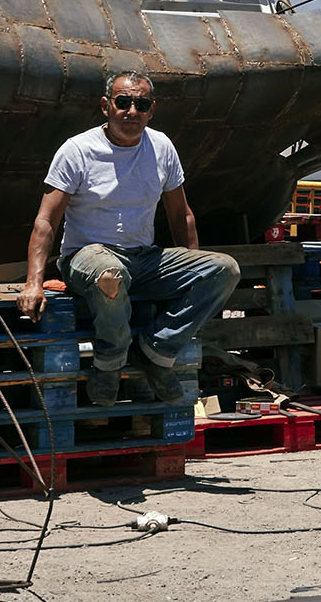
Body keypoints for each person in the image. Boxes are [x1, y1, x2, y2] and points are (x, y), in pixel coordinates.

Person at [20, 70, 241, 407]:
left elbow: (180, 214)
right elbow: (46, 220)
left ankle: (157, 350)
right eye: (123, 102)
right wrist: (33, 282)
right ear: (106, 106)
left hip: (142, 257)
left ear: (152, 110)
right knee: (111, 275)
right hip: (88, 255)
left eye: (142, 104)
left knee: (224, 269)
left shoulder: (161, 146)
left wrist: (191, 267)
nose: (132, 111)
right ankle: (108, 366)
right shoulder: (78, 150)